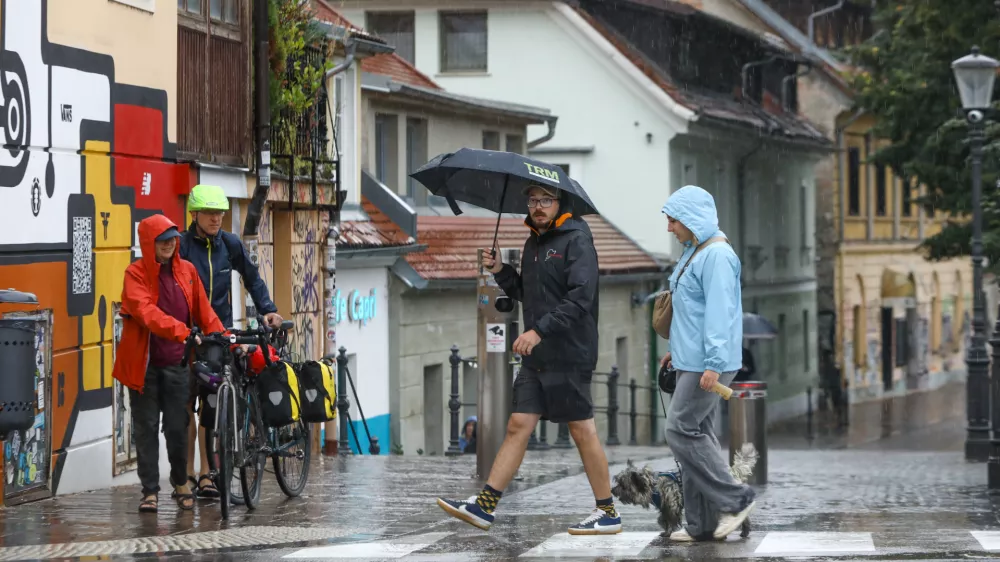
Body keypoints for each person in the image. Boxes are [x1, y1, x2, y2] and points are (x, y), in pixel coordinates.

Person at [437, 184, 622, 535]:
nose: (538, 207)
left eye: (545, 200)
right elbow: (529, 293)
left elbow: (581, 298)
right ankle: (485, 506)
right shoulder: (534, 242)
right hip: (537, 356)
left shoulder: (577, 240)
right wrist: (501, 271)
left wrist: (538, 331)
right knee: (518, 424)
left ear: (559, 203)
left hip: (569, 353)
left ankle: (608, 511)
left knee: (582, 430)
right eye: (533, 200)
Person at [659, 185, 756, 542]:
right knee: (698, 436)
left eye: (673, 221)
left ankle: (737, 499)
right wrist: (677, 350)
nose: (670, 228)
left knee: (680, 429)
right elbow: (692, 312)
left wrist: (713, 363)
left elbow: (719, 313)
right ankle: (704, 524)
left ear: (692, 219)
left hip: (708, 363)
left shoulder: (715, 255)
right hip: (692, 358)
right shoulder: (695, 251)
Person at [112, 214, 226, 514]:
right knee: (145, 429)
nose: (169, 244)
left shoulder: (187, 272)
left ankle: (179, 482)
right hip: (142, 368)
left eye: (173, 239)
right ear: (149, 243)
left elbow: (206, 312)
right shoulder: (135, 274)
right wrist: (183, 331)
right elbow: (145, 312)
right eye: (162, 240)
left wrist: (224, 338)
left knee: (177, 427)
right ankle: (149, 491)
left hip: (177, 365)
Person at [178, 184, 283, 498]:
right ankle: (187, 474)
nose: (216, 219)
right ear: (194, 214)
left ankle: (209, 474)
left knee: (212, 405)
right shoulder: (182, 247)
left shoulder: (230, 244)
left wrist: (268, 310)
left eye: (220, 213)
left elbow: (251, 277)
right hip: (186, 335)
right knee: (186, 406)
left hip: (217, 335)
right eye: (209, 213)